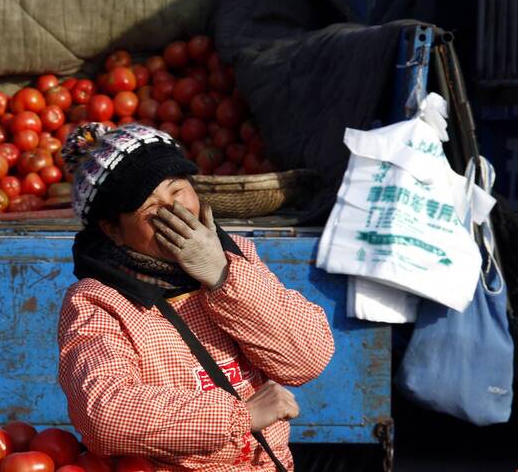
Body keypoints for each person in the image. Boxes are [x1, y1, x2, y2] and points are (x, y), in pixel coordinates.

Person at [57, 122, 334, 471]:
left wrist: (220, 274)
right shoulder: (99, 301)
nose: (174, 213)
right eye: (149, 209)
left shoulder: (235, 258)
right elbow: (104, 414)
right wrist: (240, 416)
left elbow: (307, 358)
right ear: (113, 230)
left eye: (177, 192)